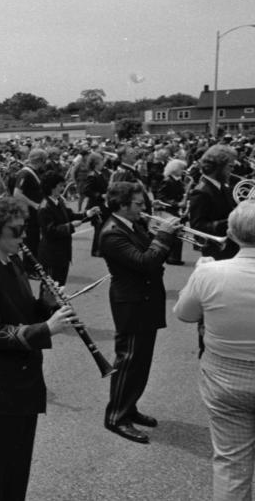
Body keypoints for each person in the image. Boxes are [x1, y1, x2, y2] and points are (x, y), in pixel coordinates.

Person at [0, 196, 76, 501]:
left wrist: (46, 306)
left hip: (21, 377)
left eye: (23, 230)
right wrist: (46, 328)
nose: (23, 237)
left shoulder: (12, 262)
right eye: (16, 231)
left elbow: (21, 313)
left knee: (18, 464)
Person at [174, 200, 255, 501]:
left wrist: (199, 274)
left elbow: (184, 314)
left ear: (232, 233)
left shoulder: (211, 273)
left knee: (231, 464)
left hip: (224, 376)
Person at [99, 181, 178, 444]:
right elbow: (145, 262)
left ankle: (129, 407)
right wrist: (164, 236)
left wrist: (161, 237)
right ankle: (116, 417)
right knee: (128, 360)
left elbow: (152, 257)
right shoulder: (112, 233)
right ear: (121, 205)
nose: (145, 208)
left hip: (146, 299)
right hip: (131, 302)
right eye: (138, 204)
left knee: (141, 361)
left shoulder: (132, 225)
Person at [37, 171, 97, 286]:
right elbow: (50, 231)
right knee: (50, 288)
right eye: (60, 186)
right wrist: (70, 226)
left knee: (60, 286)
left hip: (63, 253)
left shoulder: (58, 201)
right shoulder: (45, 207)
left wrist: (88, 213)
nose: (63, 188)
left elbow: (70, 215)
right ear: (52, 187)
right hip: (51, 255)